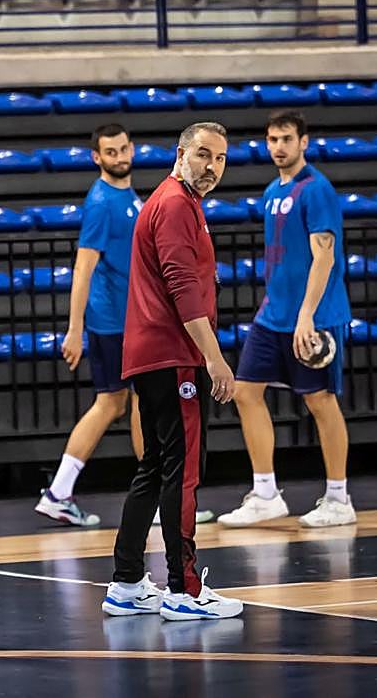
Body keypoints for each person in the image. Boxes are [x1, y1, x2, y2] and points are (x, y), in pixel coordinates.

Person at [102, 122, 243, 621]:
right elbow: (183, 288)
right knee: (182, 471)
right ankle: (183, 589)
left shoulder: (176, 202)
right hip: (173, 354)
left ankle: (126, 582)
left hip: (154, 353)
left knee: (156, 466)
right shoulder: (176, 205)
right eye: (203, 155)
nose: (212, 166)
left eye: (221, 159)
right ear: (180, 153)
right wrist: (214, 357)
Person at [218, 110, 355, 528]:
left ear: (303, 142)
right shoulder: (271, 191)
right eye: (272, 139)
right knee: (244, 391)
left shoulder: (317, 190)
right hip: (273, 315)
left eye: (286, 139)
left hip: (314, 316)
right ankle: (265, 493)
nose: (278, 146)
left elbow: (324, 256)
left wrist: (307, 316)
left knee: (319, 400)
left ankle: (338, 498)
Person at [35, 124, 144, 527]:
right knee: (135, 401)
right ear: (97, 157)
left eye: (123, 149)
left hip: (124, 318)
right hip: (114, 320)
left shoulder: (125, 196)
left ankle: (59, 492)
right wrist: (74, 328)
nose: (119, 156)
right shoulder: (102, 201)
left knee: (113, 402)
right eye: (110, 152)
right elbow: (83, 266)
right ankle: (153, 498)